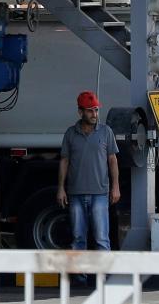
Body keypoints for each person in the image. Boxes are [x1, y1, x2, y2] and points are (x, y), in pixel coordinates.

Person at [57, 90, 120, 253]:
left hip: (100, 193)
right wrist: (61, 188)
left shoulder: (106, 132)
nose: (94, 114)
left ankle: (102, 278)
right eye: (90, 110)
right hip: (75, 193)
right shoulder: (70, 133)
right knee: (78, 239)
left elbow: (112, 160)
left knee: (102, 239)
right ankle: (80, 278)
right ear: (80, 112)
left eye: (96, 110)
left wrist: (115, 187)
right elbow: (64, 160)